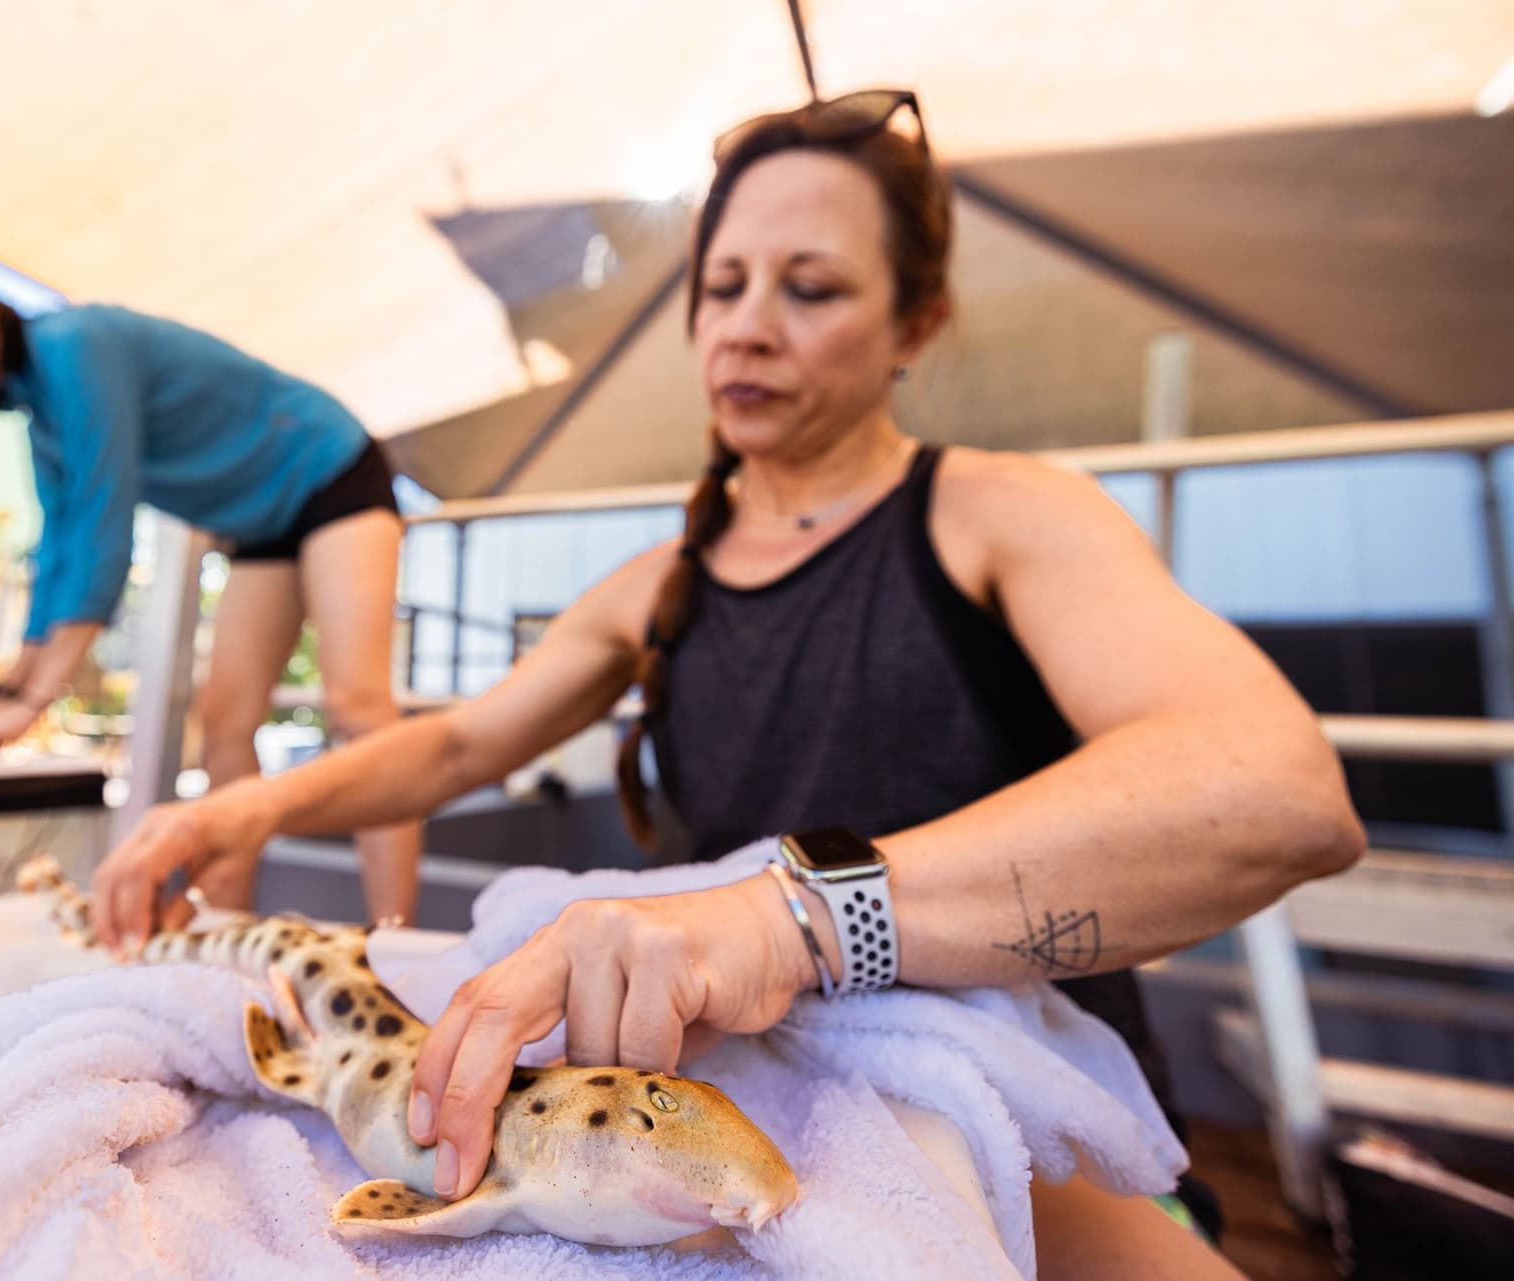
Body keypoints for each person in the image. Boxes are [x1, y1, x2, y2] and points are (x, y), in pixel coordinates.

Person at [89, 90, 1361, 1276]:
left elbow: (1276, 791)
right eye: (725, 286)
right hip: (735, 1101)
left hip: (1034, 1111)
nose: (748, 323)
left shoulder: (999, 515)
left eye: (809, 288)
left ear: (916, 324)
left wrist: (789, 919)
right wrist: (239, 808)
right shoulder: (659, 583)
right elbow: (455, 746)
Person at [0, 246, 421, 924]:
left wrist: (35, 698)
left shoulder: (75, 344)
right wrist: (6, 692)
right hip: (262, 524)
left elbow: (103, 524)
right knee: (225, 717)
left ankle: (399, 937)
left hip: (329, 472)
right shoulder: (37, 412)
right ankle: (227, 931)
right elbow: (60, 549)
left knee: (357, 703)